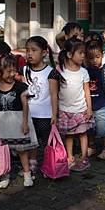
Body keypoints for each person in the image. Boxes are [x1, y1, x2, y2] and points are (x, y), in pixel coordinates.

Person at [0, 54, 39, 188]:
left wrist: (25, 123)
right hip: (2, 123)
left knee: (22, 150)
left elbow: (25, 105)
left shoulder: (20, 87)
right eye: (9, 71)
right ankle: (5, 175)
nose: (13, 74)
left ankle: (27, 174)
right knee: (4, 151)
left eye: (14, 70)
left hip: (18, 122)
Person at [52, 38, 94, 171]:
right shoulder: (60, 70)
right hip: (64, 110)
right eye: (80, 53)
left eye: (84, 53)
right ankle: (69, 157)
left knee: (82, 134)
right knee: (68, 135)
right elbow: (55, 90)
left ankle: (84, 158)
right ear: (70, 54)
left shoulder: (83, 72)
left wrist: (89, 108)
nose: (83, 56)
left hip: (81, 109)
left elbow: (87, 91)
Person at [22, 36, 58, 173]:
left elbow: (54, 95)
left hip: (45, 115)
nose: (29, 53)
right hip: (29, 114)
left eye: (34, 50)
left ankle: (50, 164)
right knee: (31, 141)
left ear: (44, 53)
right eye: (27, 50)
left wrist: (54, 114)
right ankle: (32, 163)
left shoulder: (50, 72)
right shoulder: (24, 70)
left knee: (46, 142)